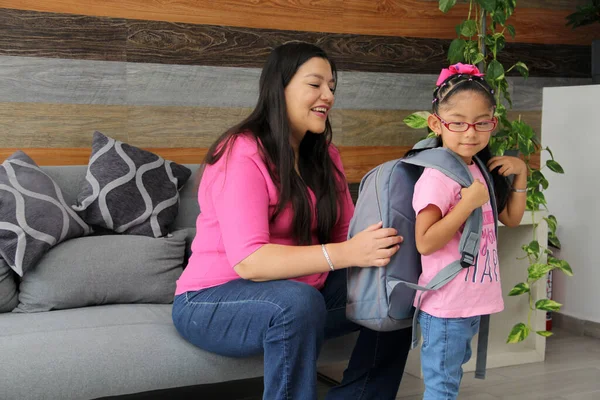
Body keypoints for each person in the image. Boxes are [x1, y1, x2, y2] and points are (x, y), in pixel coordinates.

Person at [172, 42, 412, 400]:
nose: (327, 95)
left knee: (394, 281)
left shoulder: (324, 155)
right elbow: (250, 261)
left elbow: (347, 234)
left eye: (332, 86)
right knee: (297, 303)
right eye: (315, 84)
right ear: (279, 88)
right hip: (211, 302)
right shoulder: (242, 152)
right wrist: (345, 253)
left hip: (302, 291)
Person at [413, 63, 528, 399]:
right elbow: (425, 242)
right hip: (446, 304)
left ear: (493, 121)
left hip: (469, 302)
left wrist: (520, 174)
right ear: (436, 123)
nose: (471, 132)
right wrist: (466, 204)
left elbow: (511, 219)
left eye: (482, 123)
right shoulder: (437, 175)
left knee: (450, 378)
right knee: (442, 386)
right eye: (458, 123)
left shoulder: (477, 165)